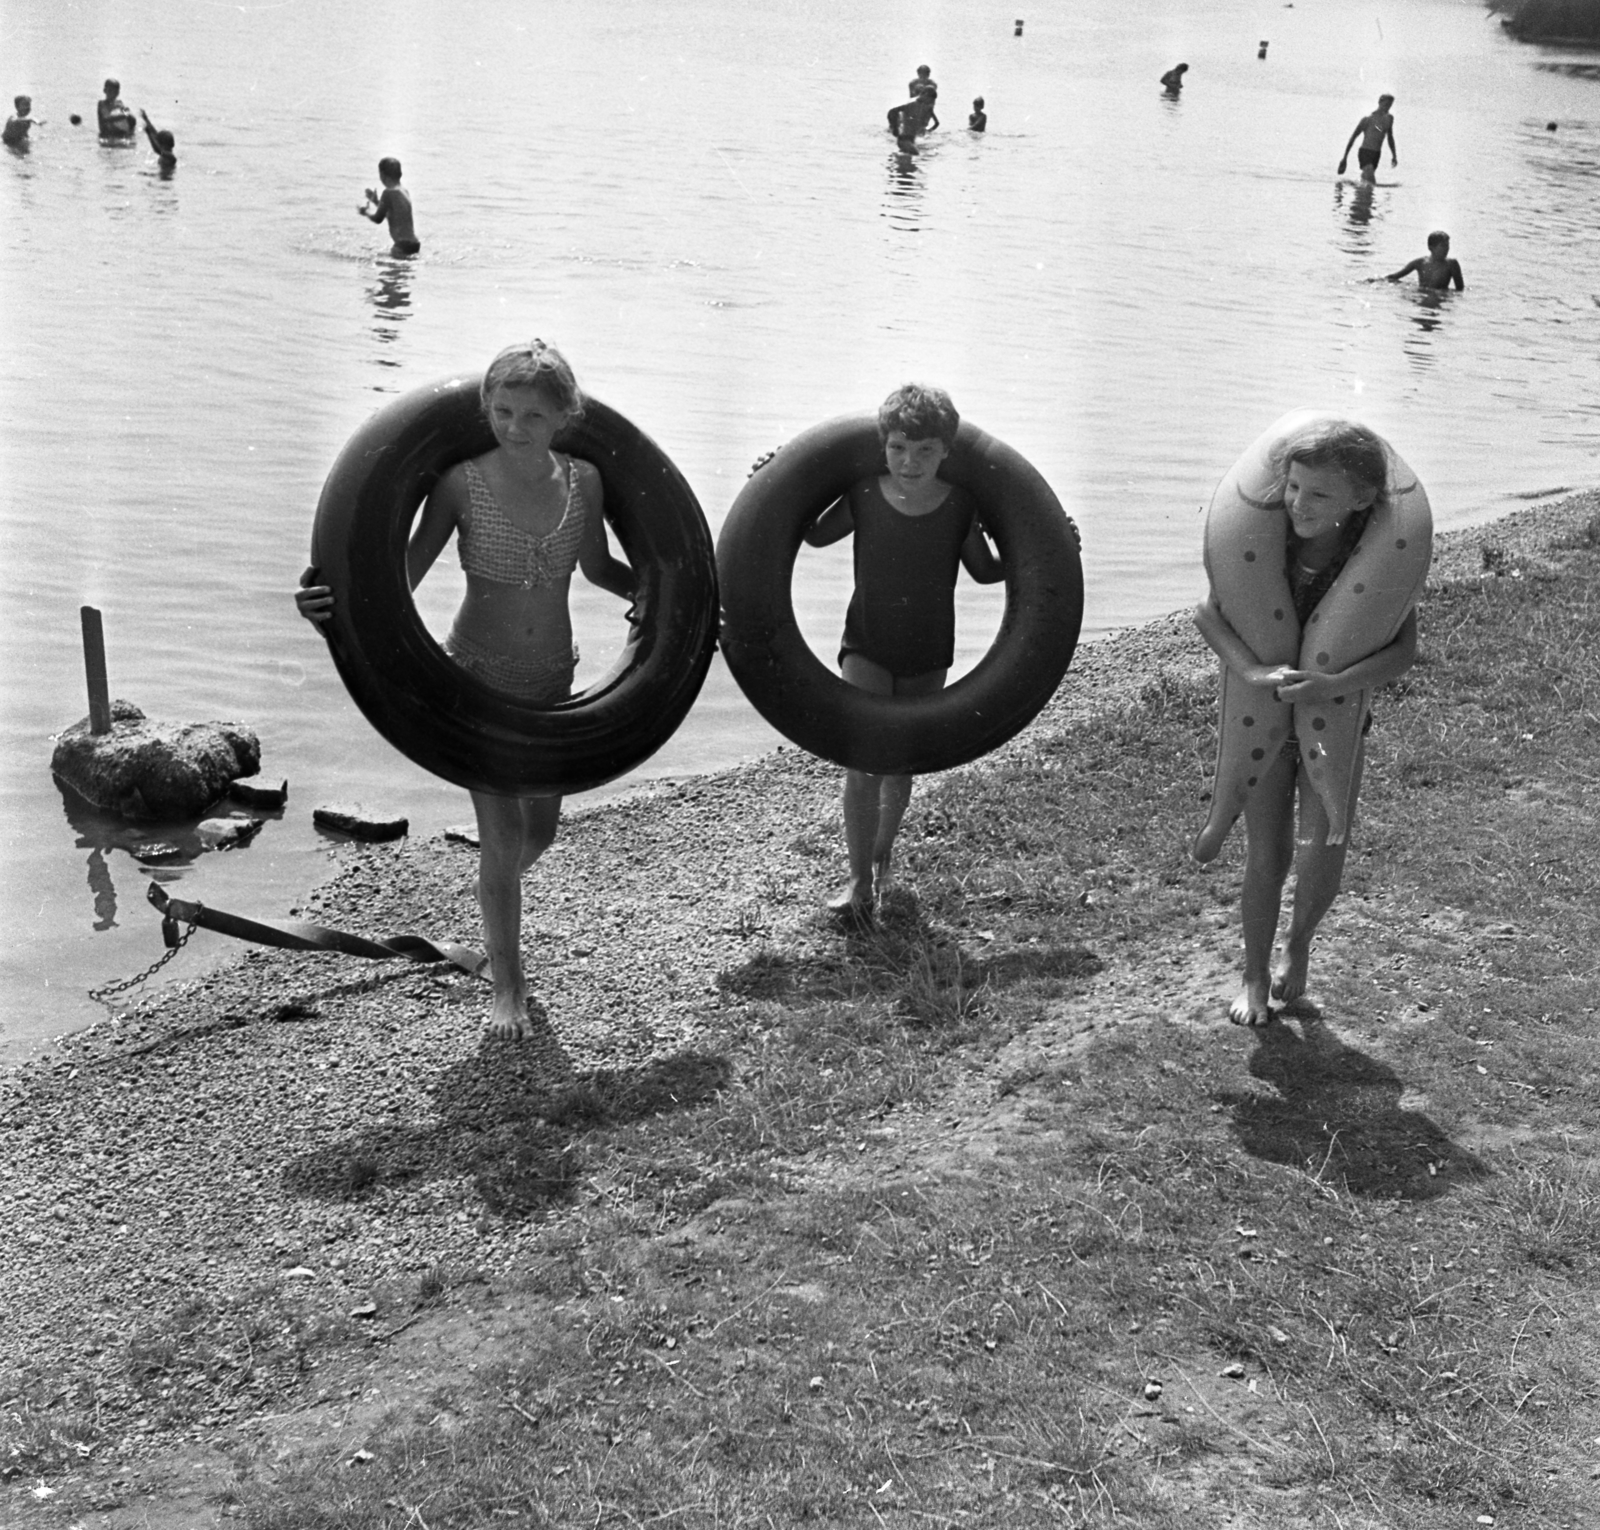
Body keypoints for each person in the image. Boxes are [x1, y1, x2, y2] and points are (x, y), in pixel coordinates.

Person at [296, 340, 636, 1038]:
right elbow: (401, 577)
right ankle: (506, 988)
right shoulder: (461, 483)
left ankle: (491, 909)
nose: (515, 427)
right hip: (477, 679)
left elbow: (600, 569)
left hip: (554, 681)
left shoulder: (584, 482)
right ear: (484, 408)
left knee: (540, 828)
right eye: (503, 411)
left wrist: (666, 600)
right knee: (504, 837)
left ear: (565, 417)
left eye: (533, 416)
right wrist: (323, 608)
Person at [1193, 419, 1423, 1027]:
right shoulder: (1269, 542)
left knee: (1324, 849)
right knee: (1266, 855)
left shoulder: (1376, 557)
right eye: (1294, 488)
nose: (1299, 504)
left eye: (1319, 494)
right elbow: (1208, 613)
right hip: (1259, 718)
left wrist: (1330, 686)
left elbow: (1401, 650)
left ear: (1362, 501)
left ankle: (1299, 944)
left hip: (1337, 718)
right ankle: (1253, 973)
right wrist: (1250, 668)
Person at [802, 385, 1004, 918]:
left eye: (924, 451)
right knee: (864, 762)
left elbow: (984, 571)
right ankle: (859, 881)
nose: (909, 462)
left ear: (946, 452)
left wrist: (1047, 547)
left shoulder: (960, 505)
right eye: (897, 448)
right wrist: (777, 478)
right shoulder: (865, 495)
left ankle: (883, 854)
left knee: (900, 765)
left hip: (928, 648)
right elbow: (814, 536)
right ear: (882, 447)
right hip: (866, 643)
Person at [358, 157, 420, 256]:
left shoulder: (388, 192)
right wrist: (375, 201)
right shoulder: (404, 191)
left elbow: (378, 219)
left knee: (374, 261)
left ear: (382, 175)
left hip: (402, 245)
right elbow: (393, 215)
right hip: (414, 243)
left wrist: (365, 212)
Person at [1338, 93, 1397, 182]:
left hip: (1376, 154)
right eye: (1386, 105)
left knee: (1366, 180)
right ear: (1379, 103)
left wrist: (1394, 155)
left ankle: (1357, 190)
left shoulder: (1389, 119)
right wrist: (1345, 158)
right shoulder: (1367, 120)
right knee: (1371, 181)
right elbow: (1353, 137)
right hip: (1365, 152)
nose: (1388, 108)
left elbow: (1390, 137)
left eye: (1390, 106)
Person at [1386, 230, 1464, 291]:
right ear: (1431, 248)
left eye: (1447, 246)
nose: (1446, 249)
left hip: (1440, 298)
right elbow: (1395, 276)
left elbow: (1460, 289)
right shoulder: (1420, 263)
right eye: (1443, 246)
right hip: (1422, 295)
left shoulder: (1452, 264)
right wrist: (1379, 280)